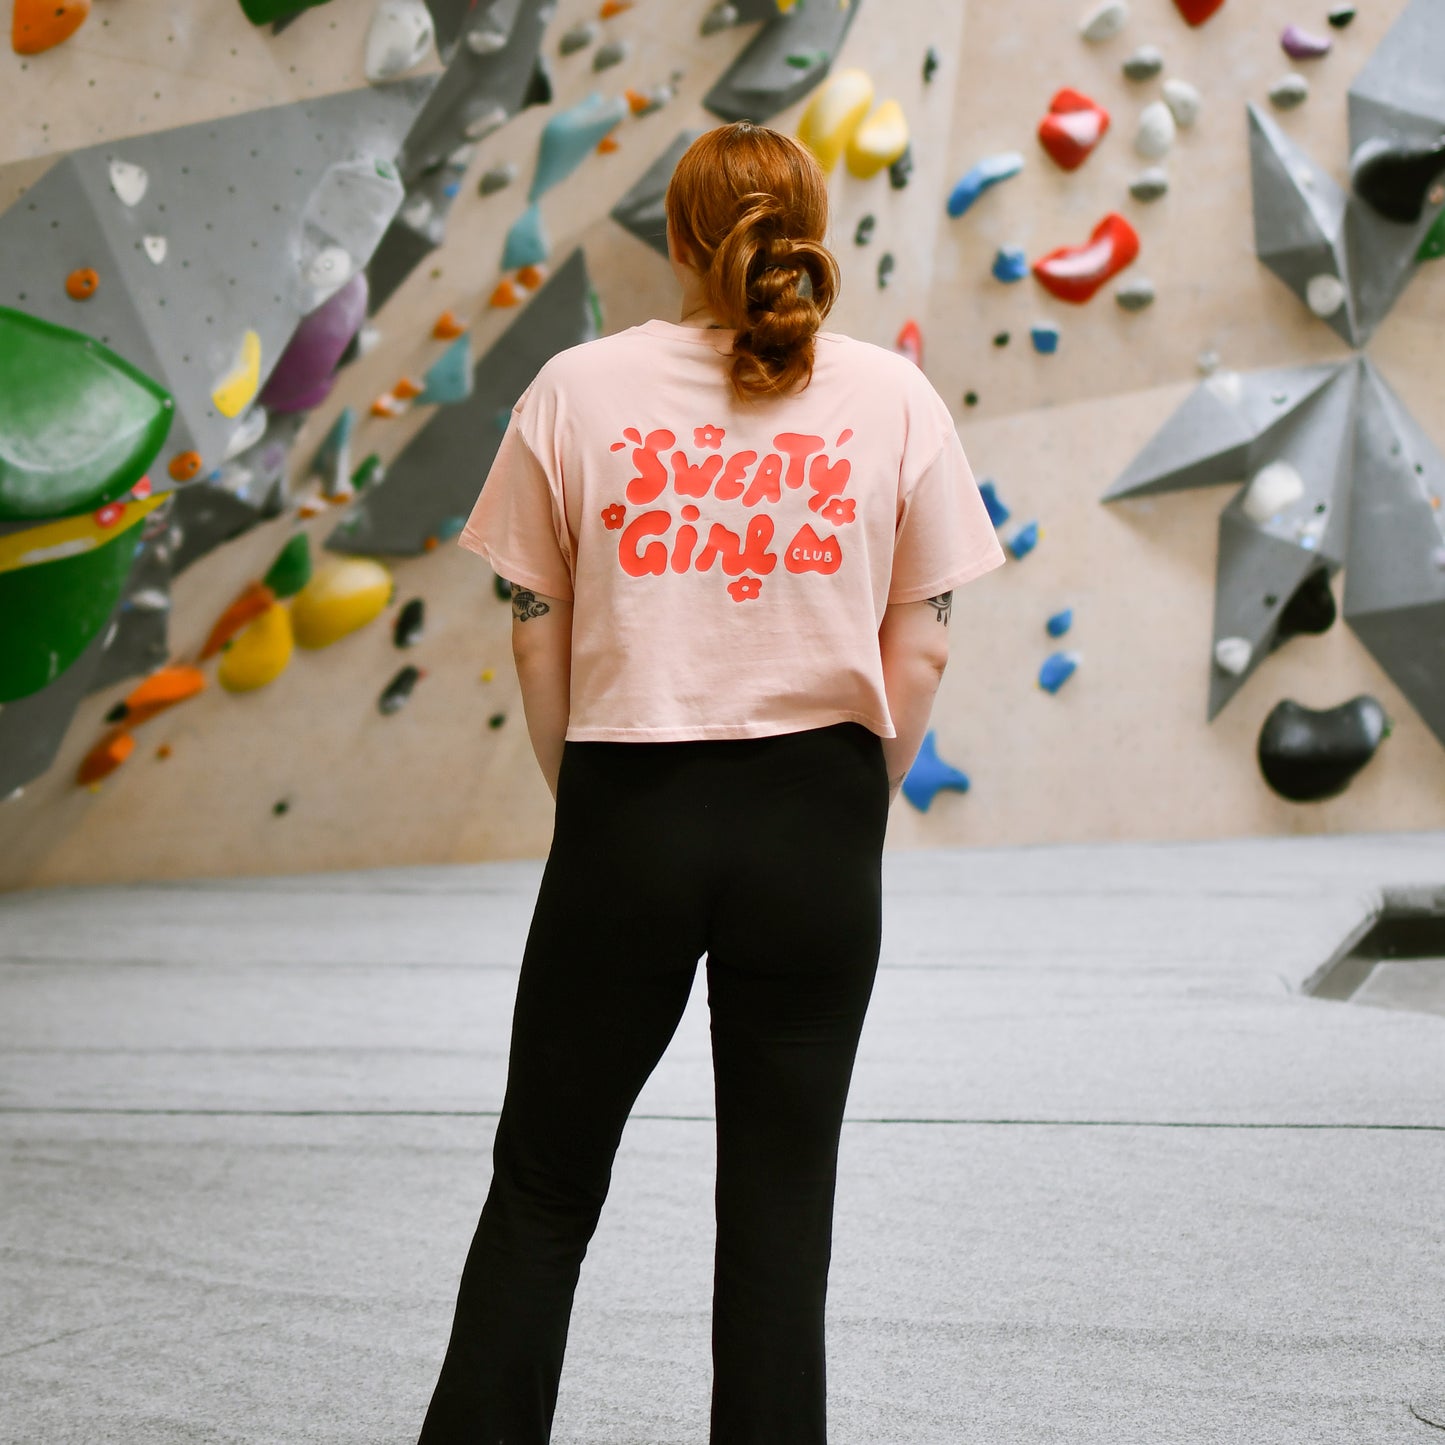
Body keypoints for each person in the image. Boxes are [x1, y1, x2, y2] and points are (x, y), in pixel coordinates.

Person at [417, 120, 1005, 1444]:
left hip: (629, 801)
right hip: (820, 818)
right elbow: (918, 643)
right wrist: (856, 789)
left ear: (678, 238)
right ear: (809, 227)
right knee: (783, 1200)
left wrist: (595, 803)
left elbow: (531, 624)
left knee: (545, 1185)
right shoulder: (894, 397)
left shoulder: (573, 388)